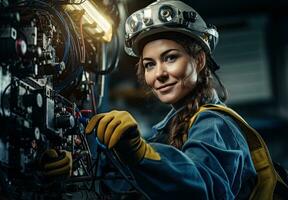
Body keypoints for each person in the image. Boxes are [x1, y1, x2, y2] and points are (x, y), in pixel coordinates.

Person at [85, 0, 257, 199]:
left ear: (199, 60)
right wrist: (79, 167)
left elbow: (202, 187)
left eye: (170, 58)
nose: (159, 74)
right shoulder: (166, 131)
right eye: (149, 64)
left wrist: (141, 153)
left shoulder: (214, 123)